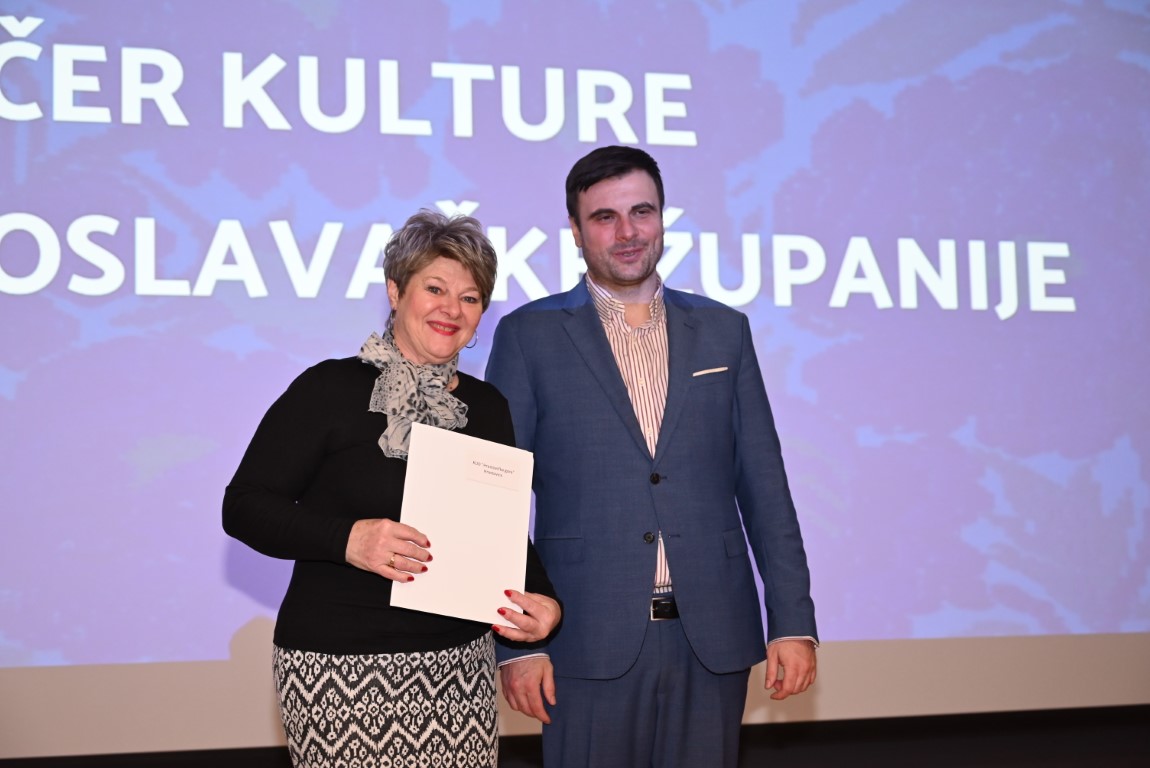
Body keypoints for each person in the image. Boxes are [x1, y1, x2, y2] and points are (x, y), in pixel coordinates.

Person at [486, 146, 818, 767]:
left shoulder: (724, 330)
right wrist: (518, 645)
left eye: (642, 211)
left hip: (713, 637)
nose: (628, 231)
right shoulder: (529, 335)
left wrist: (793, 621)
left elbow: (765, 486)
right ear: (576, 231)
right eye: (604, 217)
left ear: (663, 217)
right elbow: (495, 499)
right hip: (584, 637)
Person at [223, 210, 561, 768]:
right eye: (435, 289)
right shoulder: (328, 388)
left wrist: (545, 602)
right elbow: (244, 507)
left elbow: (501, 536)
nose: (452, 309)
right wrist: (348, 540)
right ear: (395, 291)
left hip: (459, 671)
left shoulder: (487, 407)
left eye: (470, 297)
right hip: (339, 667)